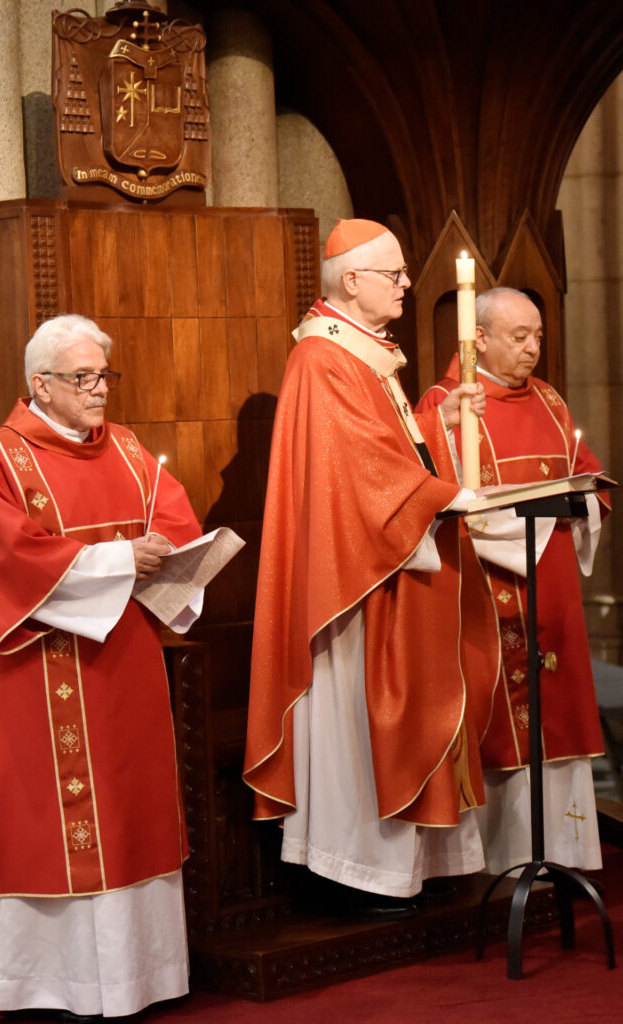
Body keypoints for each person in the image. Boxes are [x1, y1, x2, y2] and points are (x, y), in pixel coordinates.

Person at [0, 314, 203, 1017]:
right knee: (48, 825)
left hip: (126, 667)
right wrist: (122, 558)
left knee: (130, 814)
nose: (98, 392)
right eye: (82, 379)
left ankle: (134, 979)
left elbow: (174, 524)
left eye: (103, 377)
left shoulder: (125, 448)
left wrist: (173, 553)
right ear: (40, 385)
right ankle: (48, 985)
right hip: (42, 674)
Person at [243, 218, 500, 908]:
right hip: (354, 579)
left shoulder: (366, 353)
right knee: (356, 722)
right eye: (395, 275)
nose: (408, 287)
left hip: (389, 559)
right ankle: (354, 868)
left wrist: (440, 432)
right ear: (352, 281)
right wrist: (442, 493)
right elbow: (356, 475)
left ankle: (405, 864)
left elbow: (391, 454)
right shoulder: (322, 359)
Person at [417, 286, 610, 875]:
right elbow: (446, 501)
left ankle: (566, 856)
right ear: (478, 341)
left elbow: (587, 474)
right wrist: (524, 520)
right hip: (489, 587)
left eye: (538, 337)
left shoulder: (550, 400)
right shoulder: (446, 403)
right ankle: (500, 861)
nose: (532, 350)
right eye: (518, 337)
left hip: (554, 589)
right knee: (503, 722)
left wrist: (585, 506)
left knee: (561, 712)